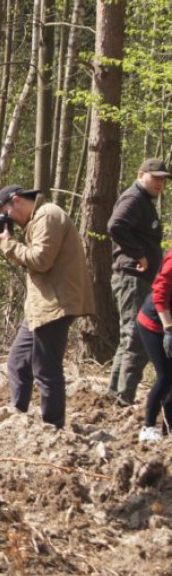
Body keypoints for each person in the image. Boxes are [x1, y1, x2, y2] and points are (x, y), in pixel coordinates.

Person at [0, 185, 94, 429]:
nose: (9, 219)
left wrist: (7, 242)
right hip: (41, 305)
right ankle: (17, 414)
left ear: (16, 201)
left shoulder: (48, 215)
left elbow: (40, 260)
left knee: (46, 368)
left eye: (7, 212)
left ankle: (52, 426)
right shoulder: (39, 218)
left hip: (55, 304)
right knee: (17, 361)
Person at [106, 158, 169, 405]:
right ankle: (123, 398)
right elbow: (116, 225)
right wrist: (138, 254)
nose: (160, 183)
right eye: (155, 178)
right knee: (136, 337)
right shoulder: (134, 198)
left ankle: (115, 395)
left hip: (137, 278)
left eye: (163, 179)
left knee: (129, 337)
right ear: (140, 174)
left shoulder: (143, 200)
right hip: (132, 277)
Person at [134, 244, 172, 442]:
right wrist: (169, 329)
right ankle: (148, 426)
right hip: (153, 324)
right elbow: (159, 294)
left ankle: (168, 428)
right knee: (166, 376)